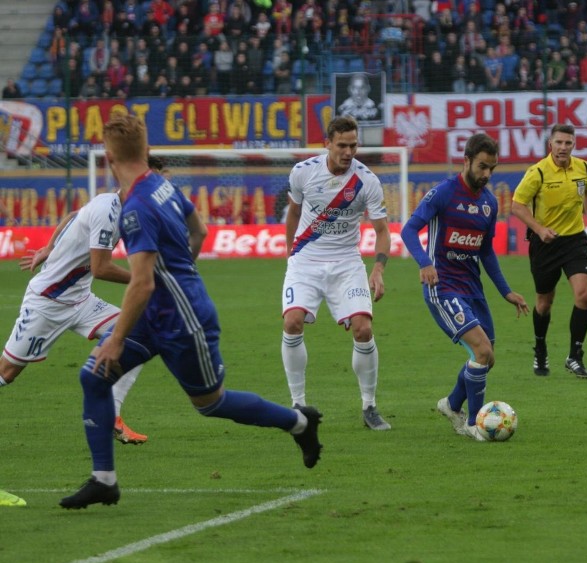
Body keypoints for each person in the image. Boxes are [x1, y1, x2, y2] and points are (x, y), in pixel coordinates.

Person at [59, 114, 322, 509]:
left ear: (110, 159)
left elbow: (142, 282)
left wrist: (115, 338)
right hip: (157, 313)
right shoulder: (161, 186)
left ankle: (300, 422)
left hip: (183, 322)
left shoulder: (135, 208)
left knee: (211, 404)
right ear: (144, 151)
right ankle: (104, 479)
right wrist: (183, 275)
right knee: (94, 377)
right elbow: (198, 230)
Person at [1, 168, 152, 445]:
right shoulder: (109, 211)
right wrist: (143, 279)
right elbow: (101, 268)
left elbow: (73, 217)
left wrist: (48, 247)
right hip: (47, 303)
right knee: (7, 372)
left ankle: (112, 417)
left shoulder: (113, 203)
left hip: (81, 301)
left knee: (136, 336)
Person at [400, 133, 528, 441]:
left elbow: (485, 251)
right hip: (442, 287)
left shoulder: (488, 203)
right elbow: (408, 230)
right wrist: (424, 262)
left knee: (488, 356)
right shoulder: (443, 194)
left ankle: (452, 404)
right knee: (482, 351)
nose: (486, 174)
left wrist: (505, 291)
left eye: (492, 168)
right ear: (467, 161)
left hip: (472, 287)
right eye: (482, 166)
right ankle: (475, 424)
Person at [282, 116, 391, 430]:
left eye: (353, 145)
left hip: (346, 263)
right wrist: (292, 254)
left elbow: (382, 231)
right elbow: (293, 213)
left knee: (363, 330)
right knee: (292, 322)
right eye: (342, 145)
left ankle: (369, 407)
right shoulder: (302, 173)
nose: (348, 151)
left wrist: (378, 269)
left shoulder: (367, 181)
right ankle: (298, 404)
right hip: (306, 260)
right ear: (326, 144)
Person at [510, 123, 587, 379]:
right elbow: (517, 205)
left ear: (574, 144)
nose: (563, 147)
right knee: (544, 303)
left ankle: (575, 356)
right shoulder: (537, 172)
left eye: (568, 143)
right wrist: (539, 229)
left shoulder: (583, 168)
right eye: (558, 143)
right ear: (551, 144)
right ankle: (540, 348)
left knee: (583, 295)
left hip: (574, 241)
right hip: (545, 245)